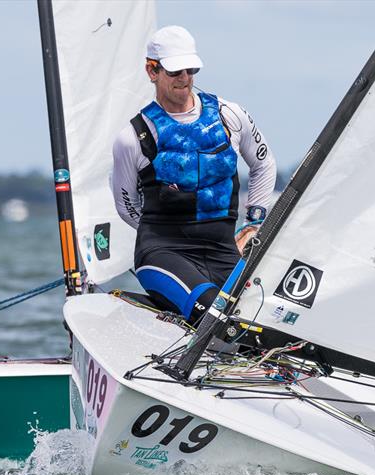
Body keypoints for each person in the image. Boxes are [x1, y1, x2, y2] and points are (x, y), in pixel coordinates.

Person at [111, 26, 276, 324]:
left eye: (190, 69)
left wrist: (254, 223)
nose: (184, 78)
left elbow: (264, 164)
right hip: (163, 253)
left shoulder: (230, 115)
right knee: (216, 317)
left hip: (224, 251)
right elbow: (126, 205)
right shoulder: (132, 137)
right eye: (175, 71)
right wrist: (157, 230)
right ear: (152, 71)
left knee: (265, 320)